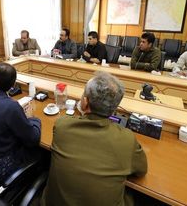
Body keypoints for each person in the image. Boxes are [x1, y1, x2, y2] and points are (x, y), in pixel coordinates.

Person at [41, 71, 147, 206]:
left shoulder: (62, 125)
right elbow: (141, 171)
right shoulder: (127, 139)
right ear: (114, 108)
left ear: (85, 102)